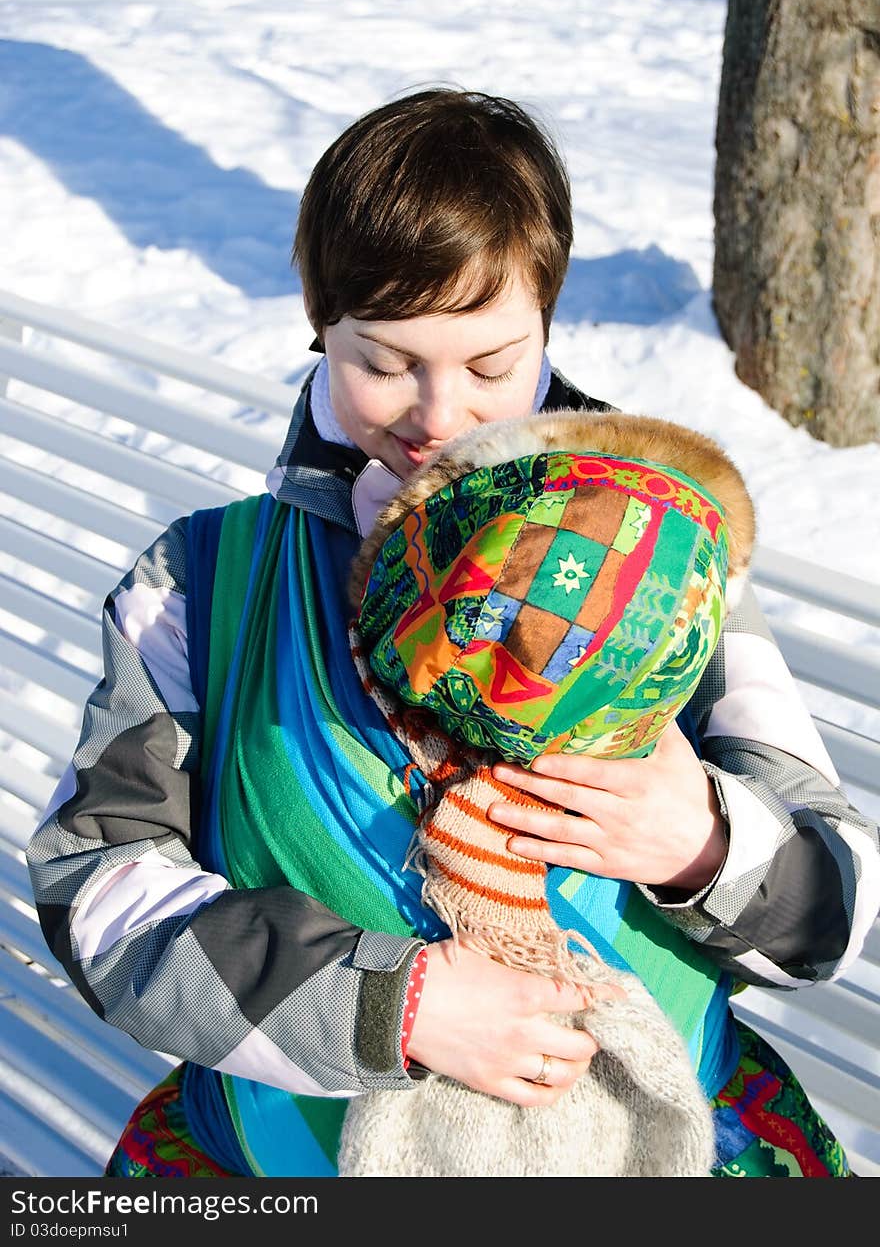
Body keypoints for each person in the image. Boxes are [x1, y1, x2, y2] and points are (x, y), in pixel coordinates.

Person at [26, 89, 880, 1179]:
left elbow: (831, 907)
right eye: (382, 360)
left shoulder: (661, 574)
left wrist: (703, 842)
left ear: (549, 320)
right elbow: (97, 886)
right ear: (317, 323)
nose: (438, 415)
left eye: (489, 364)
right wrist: (391, 1004)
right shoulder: (201, 585)